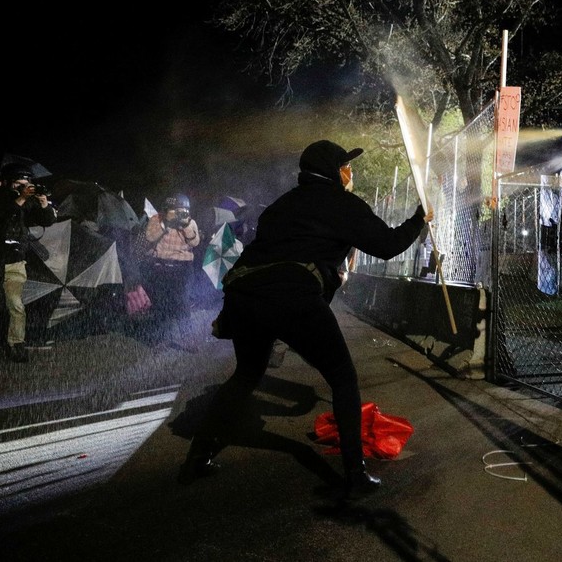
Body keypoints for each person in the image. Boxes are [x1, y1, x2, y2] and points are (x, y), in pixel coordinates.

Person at [179, 139, 432, 498]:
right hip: (292, 296)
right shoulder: (342, 204)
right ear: (333, 170)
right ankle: (355, 476)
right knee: (342, 377)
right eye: (346, 166)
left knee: (247, 374)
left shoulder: (280, 206)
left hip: (245, 295)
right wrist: (419, 219)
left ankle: (196, 457)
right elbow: (388, 245)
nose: (350, 173)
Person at [0, 164, 57, 362]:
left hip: (15, 260)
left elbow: (47, 220)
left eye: (26, 184)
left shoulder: (27, 201)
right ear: (6, 182)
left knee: (16, 305)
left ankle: (16, 344)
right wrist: (21, 199)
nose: (23, 188)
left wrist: (44, 203)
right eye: (19, 184)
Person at [141, 193, 201, 341]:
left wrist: (185, 225)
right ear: (166, 209)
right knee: (160, 302)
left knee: (182, 302)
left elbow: (195, 242)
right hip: (159, 266)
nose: (178, 214)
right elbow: (150, 237)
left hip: (182, 268)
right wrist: (166, 223)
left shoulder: (190, 222)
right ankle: (160, 337)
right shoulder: (156, 219)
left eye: (182, 210)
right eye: (175, 210)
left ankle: (187, 338)